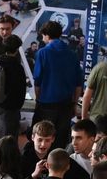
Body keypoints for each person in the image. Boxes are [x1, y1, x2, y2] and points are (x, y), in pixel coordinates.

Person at [33, 20, 83, 148]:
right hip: (66, 104)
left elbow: (37, 81)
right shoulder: (72, 54)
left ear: (46, 35)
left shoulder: (42, 53)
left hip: (46, 105)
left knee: (42, 141)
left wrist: (38, 100)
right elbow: (78, 84)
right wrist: (74, 103)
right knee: (60, 141)